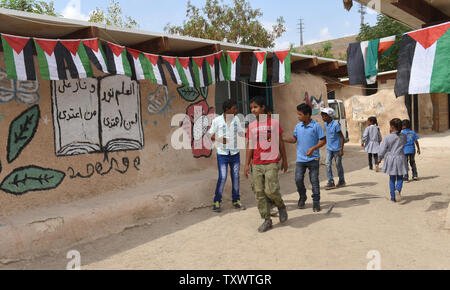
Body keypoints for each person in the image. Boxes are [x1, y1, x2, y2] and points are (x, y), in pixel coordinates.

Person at [244, 96, 288, 233]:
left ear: (263, 108)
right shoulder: (251, 126)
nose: (253, 110)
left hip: (271, 161)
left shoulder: (274, 123)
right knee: (259, 192)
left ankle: (280, 205)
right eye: (251, 108)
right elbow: (250, 145)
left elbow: (280, 142)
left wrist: (285, 159)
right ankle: (267, 219)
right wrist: (246, 164)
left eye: (255, 107)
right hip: (256, 163)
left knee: (271, 190)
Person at [284, 103, 326, 212]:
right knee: (298, 180)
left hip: (313, 159)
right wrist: (282, 139)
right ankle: (302, 197)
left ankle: (316, 202)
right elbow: (294, 140)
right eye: (298, 114)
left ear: (307, 115)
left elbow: (323, 140)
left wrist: (313, 148)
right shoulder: (298, 126)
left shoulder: (316, 126)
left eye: (300, 114)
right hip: (301, 160)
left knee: (314, 181)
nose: (298, 116)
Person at [208, 100, 245, 213]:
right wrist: (220, 139)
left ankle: (236, 200)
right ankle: (217, 201)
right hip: (223, 154)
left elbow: (241, 133)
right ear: (227, 110)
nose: (236, 111)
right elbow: (210, 135)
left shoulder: (236, 119)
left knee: (236, 177)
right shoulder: (217, 121)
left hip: (235, 153)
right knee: (223, 177)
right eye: (234, 108)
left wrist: (252, 133)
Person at [378, 118, 408, 203]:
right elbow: (403, 143)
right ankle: (398, 189)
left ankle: (393, 197)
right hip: (401, 158)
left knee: (392, 178)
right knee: (400, 177)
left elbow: (383, 149)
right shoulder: (403, 136)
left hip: (391, 158)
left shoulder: (388, 137)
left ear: (392, 127)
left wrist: (380, 158)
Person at [320, 107, 346, 190]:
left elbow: (342, 137)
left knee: (338, 165)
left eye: (324, 116)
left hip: (337, 149)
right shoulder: (325, 124)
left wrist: (341, 149)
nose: (323, 118)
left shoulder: (335, 125)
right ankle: (331, 182)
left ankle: (342, 181)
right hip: (329, 148)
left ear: (330, 116)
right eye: (322, 116)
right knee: (327, 163)